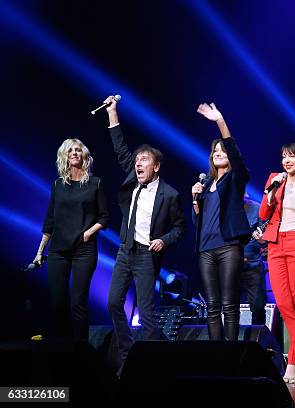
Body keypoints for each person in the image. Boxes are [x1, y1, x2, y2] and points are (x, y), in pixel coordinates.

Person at [104, 96, 185, 371]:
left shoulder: (170, 194)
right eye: (137, 160)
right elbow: (120, 148)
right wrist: (113, 113)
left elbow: (180, 228)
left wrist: (164, 240)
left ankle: (150, 366)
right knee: (114, 302)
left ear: (156, 166)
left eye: (144, 160)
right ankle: (128, 356)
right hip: (126, 250)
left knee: (147, 313)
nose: (138, 164)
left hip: (147, 256)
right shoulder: (132, 181)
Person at [34, 139, 109, 341]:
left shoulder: (95, 183)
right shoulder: (57, 185)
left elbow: (104, 217)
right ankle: (61, 348)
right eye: (70, 151)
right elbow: (50, 220)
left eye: (78, 150)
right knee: (57, 302)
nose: (74, 153)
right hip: (59, 250)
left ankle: (80, 352)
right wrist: (40, 251)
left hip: (84, 250)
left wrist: (88, 232)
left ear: (84, 156)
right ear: (65, 157)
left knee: (78, 302)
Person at [257, 142, 295, 384]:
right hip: (275, 244)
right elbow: (263, 214)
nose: (287, 161)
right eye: (284, 156)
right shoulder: (275, 179)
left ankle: (294, 363)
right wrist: (271, 192)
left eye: (292, 156)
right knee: (283, 303)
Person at [192, 103, 251, 341]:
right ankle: (216, 355)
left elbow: (234, 154)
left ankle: (232, 356)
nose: (218, 153)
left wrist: (220, 121)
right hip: (205, 249)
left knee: (229, 304)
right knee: (212, 306)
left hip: (228, 247)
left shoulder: (235, 178)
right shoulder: (206, 184)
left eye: (222, 150)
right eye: (215, 151)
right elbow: (201, 219)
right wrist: (195, 200)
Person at [241, 194, 267, 326]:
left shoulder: (256, 208)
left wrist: (261, 239)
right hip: (229, 264)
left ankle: (256, 339)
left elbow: (265, 241)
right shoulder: (224, 209)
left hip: (252, 264)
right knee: (228, 306)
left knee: (257, 306)